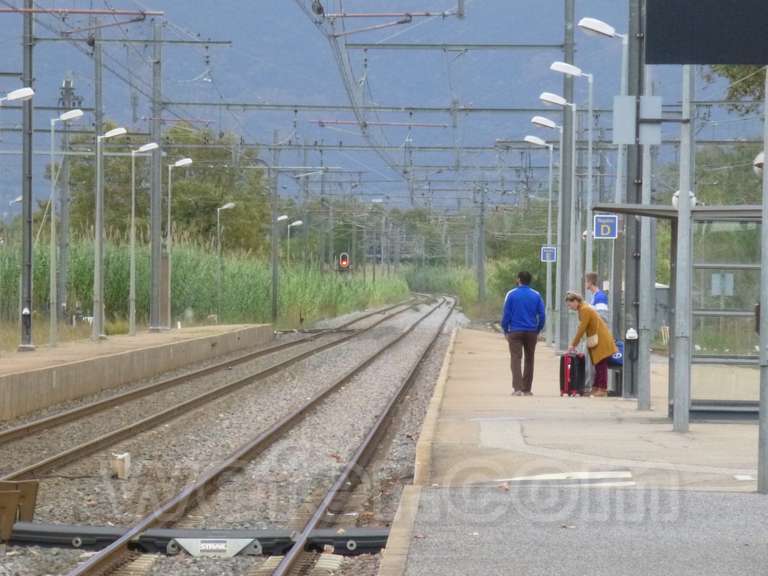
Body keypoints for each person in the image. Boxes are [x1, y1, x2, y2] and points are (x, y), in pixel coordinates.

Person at [501, 271, 546, 396]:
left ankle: (517, 388)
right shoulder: (536, 295)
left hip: (515, 331)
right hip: (531, 331)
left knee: (516, 358)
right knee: (529, 359)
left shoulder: (511, 294)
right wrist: (538, 329)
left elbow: (506, 315)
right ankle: (527, 389)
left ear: (519, 279)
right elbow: (542, 315)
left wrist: (505, 329)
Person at [565, 291, 618, 397]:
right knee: (598, 364)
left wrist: (573, 344)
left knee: (601, 364)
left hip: (601, 339)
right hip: (597, 338)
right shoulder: (583, 308)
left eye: (569, 304)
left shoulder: (585, 310)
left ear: (575, 301)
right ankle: (596, 387)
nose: (569, 307)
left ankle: (602, 389)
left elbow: (582, 329)